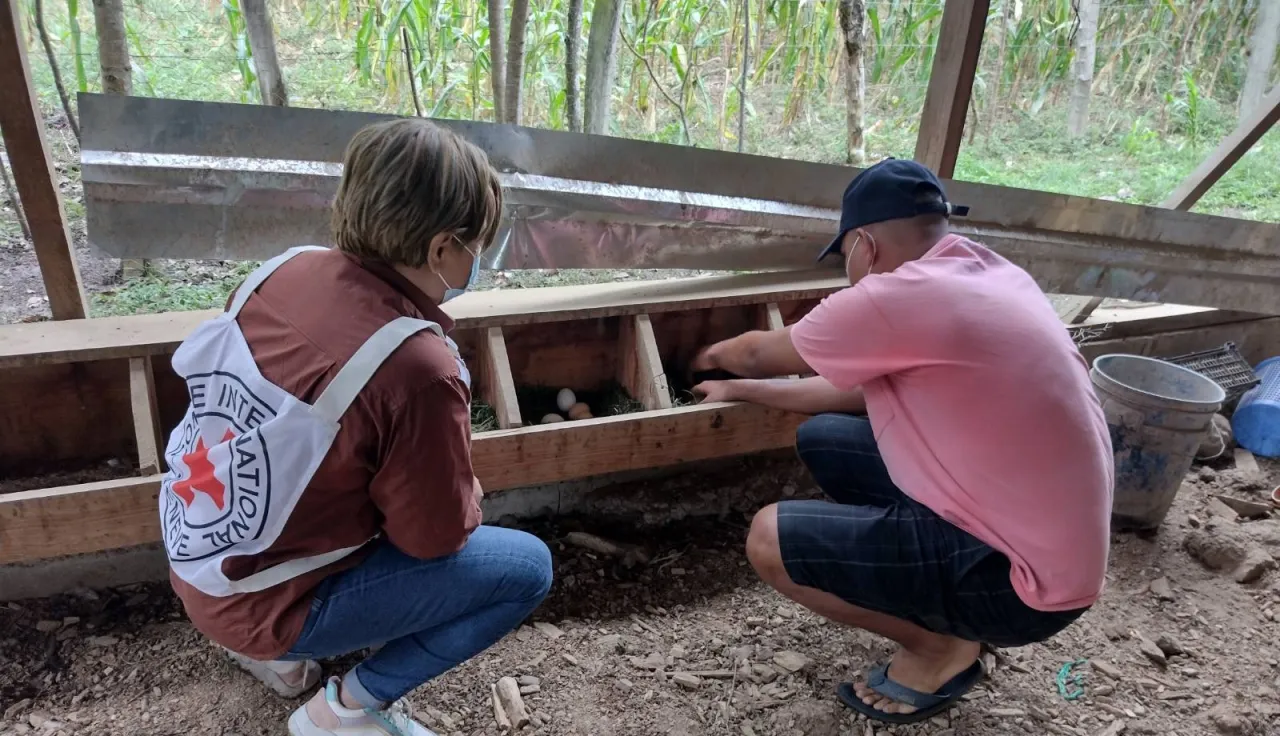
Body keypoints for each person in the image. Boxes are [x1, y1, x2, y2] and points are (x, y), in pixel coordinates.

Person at [158, 118, 553, 736]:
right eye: (478, 243)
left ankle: (278, 658)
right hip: (265, 600)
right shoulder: (417, 366)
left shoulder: (284, 270)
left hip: (197, 557)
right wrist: (466, 494)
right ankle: (343, 710)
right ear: (441, 248)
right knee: (525, 569)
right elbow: (432, 539)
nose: (479, 259)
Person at [690, 159, 1113, 725]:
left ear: (864, 244)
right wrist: (743, 391)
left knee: (769, 540)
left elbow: (753, 350)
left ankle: (941, 647)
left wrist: (708, 359)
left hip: (1023, 588)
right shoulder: (988, 272)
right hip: (1050, 546)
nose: (849, 272)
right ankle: (934, 597)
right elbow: (857, 391)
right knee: (826, 440)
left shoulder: (896, 297)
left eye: (845, 260)